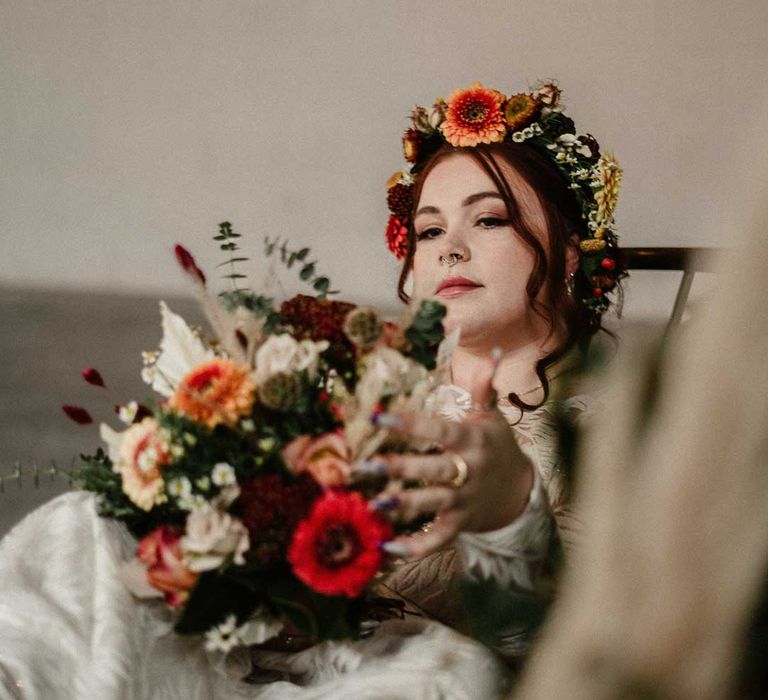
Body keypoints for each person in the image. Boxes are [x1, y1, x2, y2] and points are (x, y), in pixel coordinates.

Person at [0, 81, 623, 699]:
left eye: (489, 219)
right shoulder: (344, 390)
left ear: (569, 254)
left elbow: (559, 651)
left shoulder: (612, 432)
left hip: (401, 678)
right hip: (246, 654)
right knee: (85, 524)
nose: (450, 249)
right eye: (429, 231)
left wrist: (510, 514)